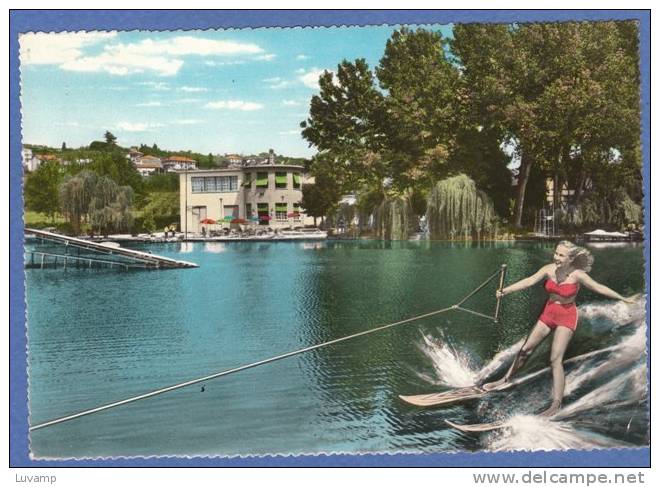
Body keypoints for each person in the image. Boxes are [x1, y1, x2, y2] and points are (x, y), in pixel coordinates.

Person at [482, 241, 637, 416]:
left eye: (561, 255)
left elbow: (599, 287)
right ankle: (505, 379)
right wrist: (506, 290)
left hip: (567, 316)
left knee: (555, 359)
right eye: (556, 253)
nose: (556, 257)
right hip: (549, 312)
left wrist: (623, 298)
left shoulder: (578, 275)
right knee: (525, 349)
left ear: (571, 258)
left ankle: (556, 404)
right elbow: (528, 281)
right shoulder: (548, 269)